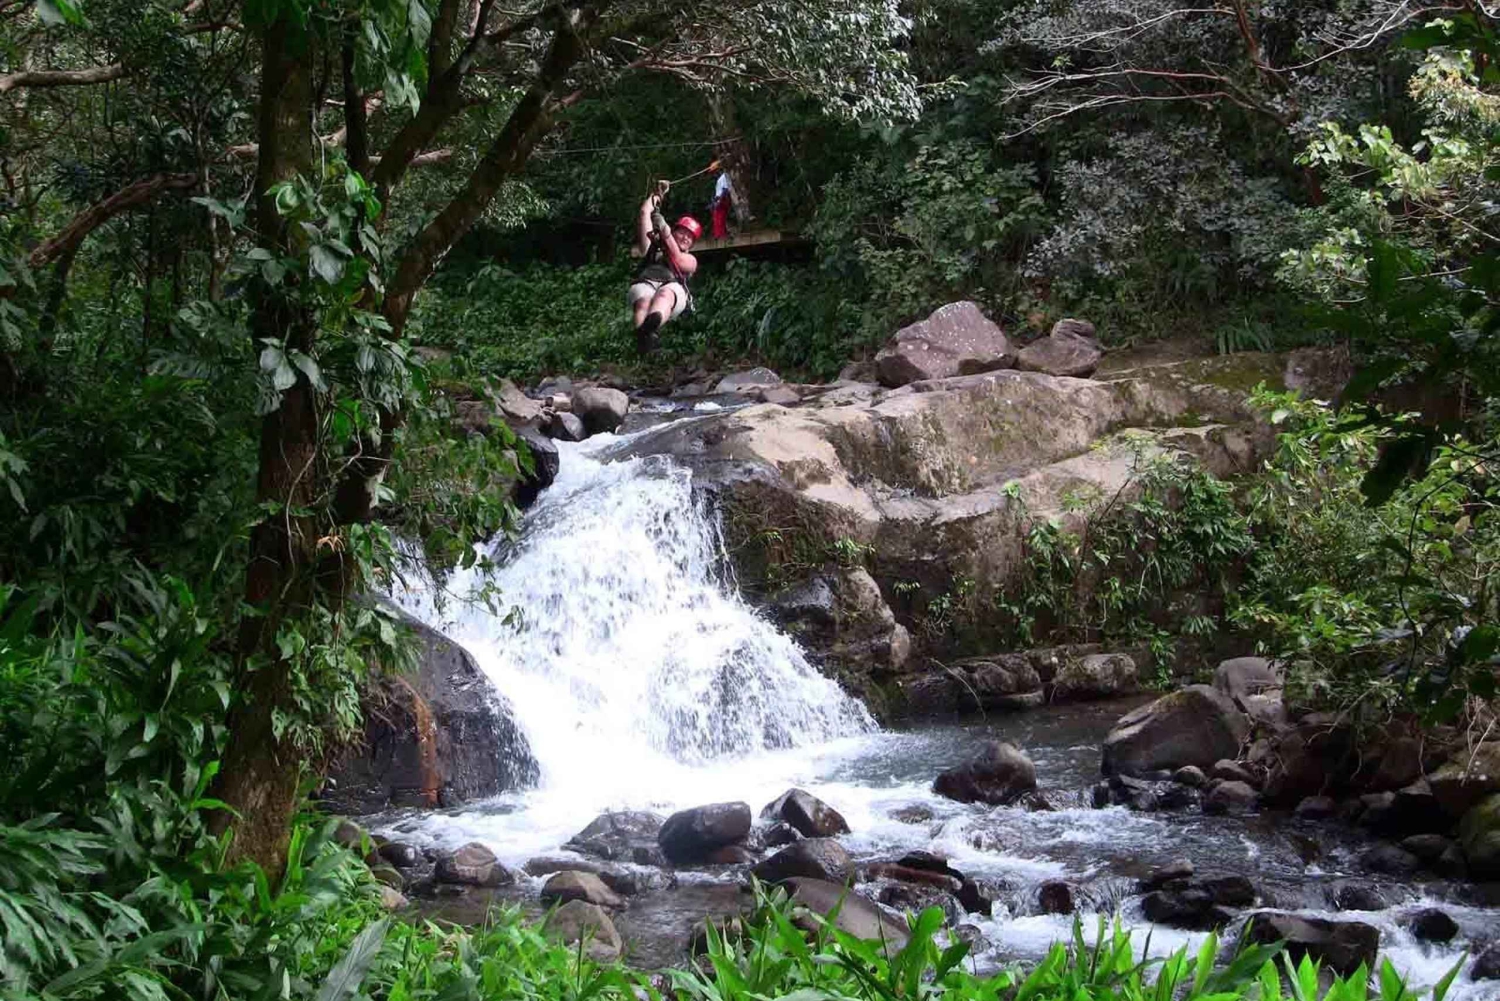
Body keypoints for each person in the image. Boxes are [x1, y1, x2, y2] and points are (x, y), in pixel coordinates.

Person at [629, 181, 701, 354]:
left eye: (690, 237)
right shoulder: (652, 246)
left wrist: (665, 230)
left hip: (672, 290)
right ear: (675, 231)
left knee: (664, 294)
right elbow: (644, 212)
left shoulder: (690, 260)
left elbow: (677, 258)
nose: (685, 238)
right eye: (682, 232)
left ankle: (649, 328)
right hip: (647, 283)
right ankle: (644, 339)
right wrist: (657, 195)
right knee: (644, 300)